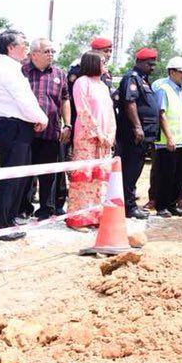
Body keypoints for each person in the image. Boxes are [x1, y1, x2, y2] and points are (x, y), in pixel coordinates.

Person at [0, 29, 47, 239]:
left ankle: (7, 220)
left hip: (15, 126)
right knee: (11, 177)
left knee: (18, 177)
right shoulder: (7, 68)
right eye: (24, 44)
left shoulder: (10, 67)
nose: (27, 49)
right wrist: (41, 118)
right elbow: (24, 100)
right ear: (11, 47)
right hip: (12, 126)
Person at [21, 38, 71, 221]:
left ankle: (46, 209)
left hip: (51, 131)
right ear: (34, 54)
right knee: (25, 172)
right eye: (46, 51)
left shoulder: (59, 73)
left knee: (48, 173)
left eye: (52, 51)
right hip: (25, 131)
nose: (50, 54)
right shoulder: (22, 71)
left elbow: (65, 99)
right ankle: (23, 208)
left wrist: (67, 124)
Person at [67, 51, 116, 230]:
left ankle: (96, 216)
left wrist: (110, 135)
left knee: (100, 178)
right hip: (87, 138)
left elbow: (110, 113)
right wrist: (98, 133)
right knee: (84, 177)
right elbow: (83, 110)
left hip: (104, 141)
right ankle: (79, 218)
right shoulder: (82, 82)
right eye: (102, 61)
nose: (106, 64)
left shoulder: (103, 86)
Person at [114, 48, 160, 219]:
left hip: (144, 134)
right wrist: (137, 127)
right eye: (149, 64)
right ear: (140, 62)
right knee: (130, 170)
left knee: (135, 170)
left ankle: (129, 203)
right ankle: (129, 206)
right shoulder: (132, 78)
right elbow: (130, 102)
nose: (152, 67)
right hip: (134, 134)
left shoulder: (143, 79)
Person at [152, 56, 182, 217]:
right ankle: (161, 206)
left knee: (179, 175)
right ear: (171, 72)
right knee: (165, 176)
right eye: (181, 72)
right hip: (167, 142)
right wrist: (169, 137)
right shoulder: (163, 89)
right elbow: (161, 114)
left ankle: (172, 205)